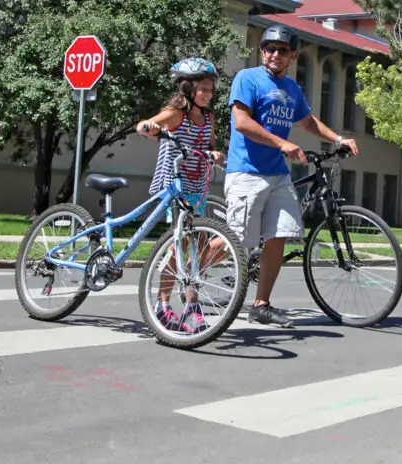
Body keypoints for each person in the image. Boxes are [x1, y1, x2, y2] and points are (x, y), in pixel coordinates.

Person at [226, 25, 359, 327]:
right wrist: (281, 142)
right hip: (248, 171)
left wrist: (339, 139)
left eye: (282, 50)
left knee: (279, 236)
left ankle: (261, 305)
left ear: (292, 56)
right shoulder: (247, 79)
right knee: (234, 240)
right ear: (262, 52)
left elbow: (308, 121)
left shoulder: (292, 89)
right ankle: (190, 271)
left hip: (278, 174)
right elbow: (242, 122)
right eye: (269, 48)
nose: (274, 54)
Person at [136, 57, 226, 333]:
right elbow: (148, 124)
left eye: (211, 90)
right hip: (173, 185)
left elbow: (210, 146)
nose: (209, 94)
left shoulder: (208, 117)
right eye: (204, 89)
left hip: (197, 187)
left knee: (197, 249)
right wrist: (147, 127)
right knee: (177, 247)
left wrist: (217, 154)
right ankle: (163, 306)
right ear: (188, 89)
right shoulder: (177, 113)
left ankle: (190, 305)